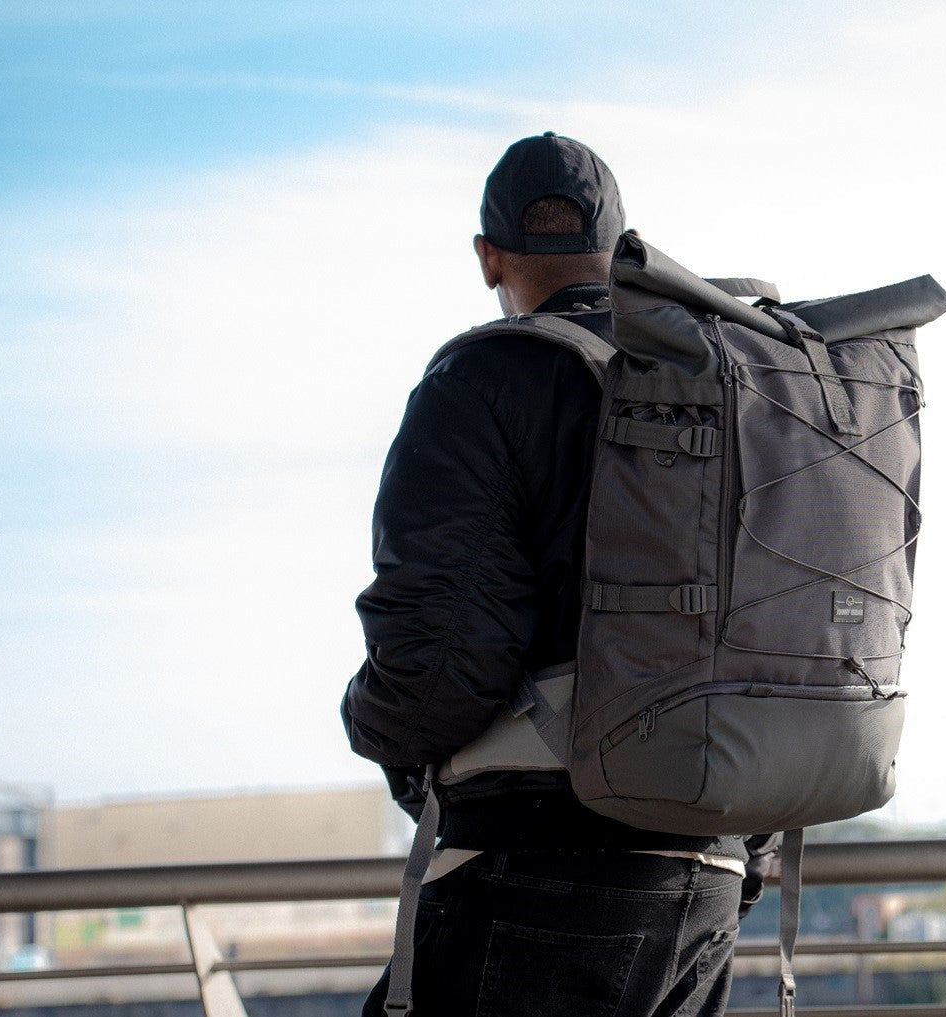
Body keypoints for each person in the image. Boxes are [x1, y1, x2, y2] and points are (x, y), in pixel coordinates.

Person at [342, 132, 755, 1017]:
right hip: (713, 863)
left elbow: (441, 659)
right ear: (620, 249)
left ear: (487, 258)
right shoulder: (719, 373)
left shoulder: (481, 381)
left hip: (543, 859)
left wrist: (368, 722)